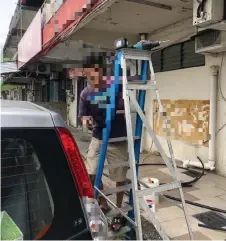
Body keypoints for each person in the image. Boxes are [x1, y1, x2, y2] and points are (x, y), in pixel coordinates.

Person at [78, 55, 128, 231]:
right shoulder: (85, 93)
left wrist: (117, 104)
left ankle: (119, 208)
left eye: (95, 75)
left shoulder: (115, 84)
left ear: (101, 71)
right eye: (89, 76)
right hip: (98, 136)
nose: (93, 80)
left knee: (119, 177)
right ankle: (102, 201)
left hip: (118, 137)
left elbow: (125, 104)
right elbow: (83, 116)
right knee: (90, 173)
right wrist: (87, 121)